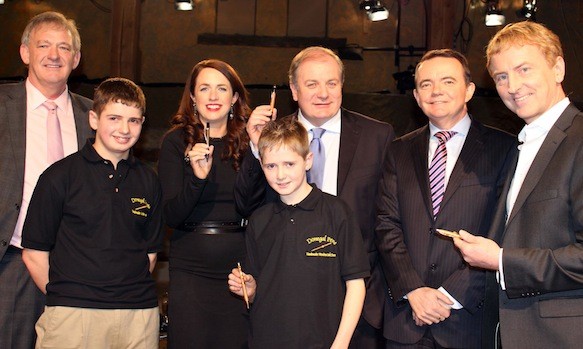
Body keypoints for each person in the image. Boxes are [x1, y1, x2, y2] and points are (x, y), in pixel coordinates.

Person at [235, 46, 395, 348]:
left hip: (359, 301)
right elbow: (246, 207)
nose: (323, 93)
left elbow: (390, 218)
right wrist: (257, 148)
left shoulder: (378, 136)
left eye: (331, 83)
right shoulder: (273, 138)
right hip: (288, 305)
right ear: (294, 90)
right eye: (312, 84)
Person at [453, 21, 583, 348]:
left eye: (524, 69)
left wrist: (500, 260)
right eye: (501, 76)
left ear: (558, 68)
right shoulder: (521, 145)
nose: (513, 86)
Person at [374, 48, 515, 349]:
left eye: (448, 81)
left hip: (469, 320)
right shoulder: (398, 151)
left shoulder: (505, 148)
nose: (436, 91)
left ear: (470, 90)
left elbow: (502, 229)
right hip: (407, 320)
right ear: (415, 96)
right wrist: (413, 290)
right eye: (426, 84)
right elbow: (387, 225)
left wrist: (451, 295)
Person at [21, 77, 163, 348]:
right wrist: (68, 297)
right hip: (73, 315)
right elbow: (34, 254)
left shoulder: (149, 180)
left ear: (142, 124)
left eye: (133, 120)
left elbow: (150, 254)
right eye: (114, 118)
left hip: (138, 316)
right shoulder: (59, 176)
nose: (124, 129)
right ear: (94, 119)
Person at [228, 117, 369, 348]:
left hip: (324, 341)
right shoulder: (259, 219)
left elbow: (356, 284)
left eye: (289, 164)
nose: (280, 175)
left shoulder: (337, 212)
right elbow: (256, 291)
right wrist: (249, 289)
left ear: (308, 160)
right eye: (271, 166)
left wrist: (341, 343)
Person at [0, 11, 94, 349]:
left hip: (80, 267)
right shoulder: (1, 106)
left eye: (64, 48)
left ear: (76, 59)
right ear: (25, 53)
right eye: (43, 45)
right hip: (11, 265)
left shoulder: (96, 116)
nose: (54, 55)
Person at [157, 59, 252, 348]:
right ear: (193, 98)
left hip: (239, 269)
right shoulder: (175, 143)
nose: (213, 96)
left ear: (234, 97)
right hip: (191, 269)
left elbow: (257, 205)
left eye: (222, 88)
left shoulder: (250, 142)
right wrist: (197, 179)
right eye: (205, 88)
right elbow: (171, 215)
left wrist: (259, 151)